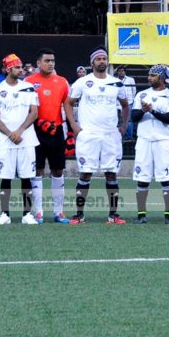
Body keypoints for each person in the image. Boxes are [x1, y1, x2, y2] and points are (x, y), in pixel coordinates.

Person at [68, 47, 129, 224]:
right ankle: (79, 215)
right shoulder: (82, 82)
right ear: (92, 63)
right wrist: (74, 126)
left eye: (104, 58)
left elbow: (125, 105)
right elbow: (68, 103)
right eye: (98, 59)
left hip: (111, 135)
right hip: (89, 134)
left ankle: (113, 215)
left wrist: (123, 126)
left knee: (111, 174)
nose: (102, 61)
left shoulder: (116, 83)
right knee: (86, 173)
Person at [26, 48, 77, 224]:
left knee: (57, 170)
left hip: (56, 131)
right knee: (37, 170)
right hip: (35, 132)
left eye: (53, 61)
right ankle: (38, 211)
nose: (50, 64)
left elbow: (68, 106)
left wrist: (72, 129)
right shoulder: (28, 82)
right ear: (38, 63)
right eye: (47, 60)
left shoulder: (62, 82)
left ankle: (59, 212)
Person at [0, 54, 40, 226]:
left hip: (26, 139)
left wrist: (19, 131)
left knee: (27, 177)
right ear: (8, 69)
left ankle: (27, 214)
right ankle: (5, 214)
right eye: (17, 67)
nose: (21, 70)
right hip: (5, 141)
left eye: (21, 67)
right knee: (5, 178)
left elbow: (34, 112)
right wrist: (10, 133)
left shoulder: (29, 88)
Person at [131, 65, 169, 224]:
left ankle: (168, 216)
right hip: (144, 141)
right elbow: (134, 117)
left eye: (153, 75)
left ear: (162, 77)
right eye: (149, 75)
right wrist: (144, 110)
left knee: (166, 179)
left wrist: (152, 111)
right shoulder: (141, 94)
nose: (149, 78)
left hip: (163, 142)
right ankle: (141, 215)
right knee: (142, 178)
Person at [115, 66, 136, 140]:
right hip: (117, 103)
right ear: (117, 72)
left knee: (129, 120)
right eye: (119, 71)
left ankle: (128, 137)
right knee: (117, 120)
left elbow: (134, 90)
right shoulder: (114, 80)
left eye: (123, 70)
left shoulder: (130, 79)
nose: (121, 72)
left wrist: (131, 100)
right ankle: (118, 136)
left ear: (125, 72)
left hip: (129, 102)